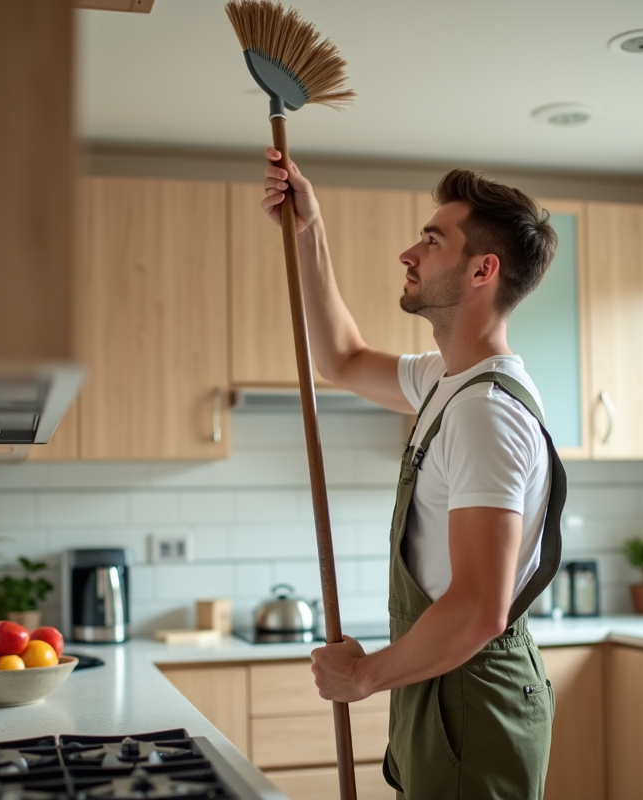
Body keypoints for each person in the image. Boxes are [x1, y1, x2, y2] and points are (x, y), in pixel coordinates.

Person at [260, 147, 567, 799]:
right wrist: (309, 230)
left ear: (483, 269)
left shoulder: (485, 412)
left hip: (473, 698)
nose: (408, 253)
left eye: (432, 241)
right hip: (446, 685)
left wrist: (363, 675)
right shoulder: (446, 381)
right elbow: (342, 359)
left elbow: (479, 608)